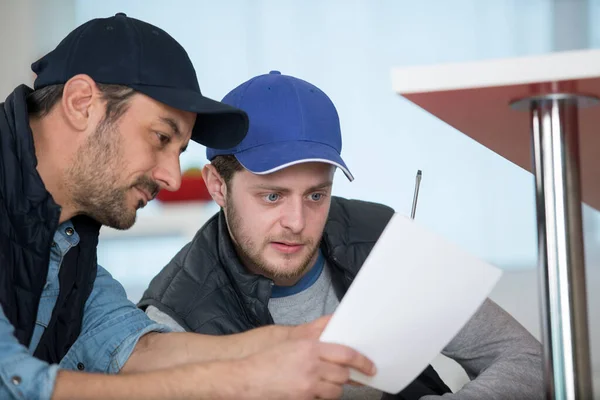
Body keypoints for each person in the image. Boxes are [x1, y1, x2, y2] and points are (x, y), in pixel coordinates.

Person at [0, 14, 377, 400]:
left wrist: (288, 342)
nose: (173, 178)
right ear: (82, 103)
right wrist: (243, 380)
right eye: (161, 136)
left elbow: (131, 345)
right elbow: (11, 382)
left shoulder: (68, 237)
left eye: (179, 151)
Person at [140, 71, 545, 399]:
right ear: (217, 187)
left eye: (317, 194)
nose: (297, 222)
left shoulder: (378, 237)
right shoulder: (172, 317)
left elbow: (529, 360)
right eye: (272, 196)